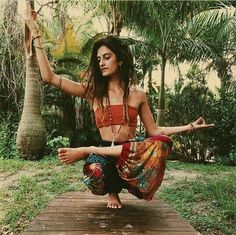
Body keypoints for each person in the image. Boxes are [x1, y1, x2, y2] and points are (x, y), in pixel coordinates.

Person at [24, 4, 214, 209]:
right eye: (98, 59)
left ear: (120, 60)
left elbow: (155, 131)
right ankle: (111, 191)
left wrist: (190, 127)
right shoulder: (93, 92)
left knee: (159, 144)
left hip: (130, 155)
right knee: (94, 171)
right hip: (104, 153)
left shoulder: (138, 95)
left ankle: (111, 172)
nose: (102, 63)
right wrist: (35, 33)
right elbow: (49, 77)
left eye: (107, 57)